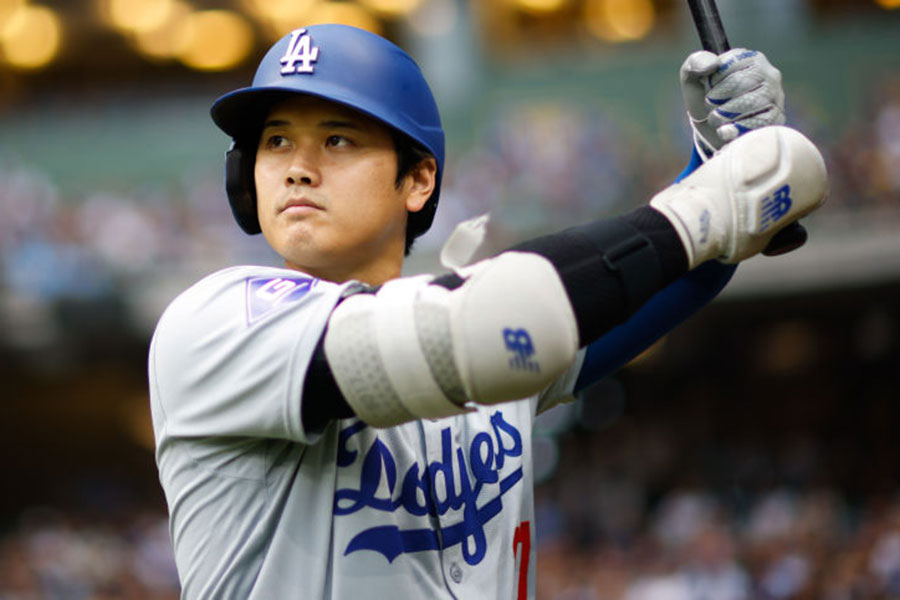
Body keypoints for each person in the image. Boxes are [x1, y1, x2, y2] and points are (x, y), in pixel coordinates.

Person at [148, 24, 826, 599]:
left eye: (337, 140)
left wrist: (716, 155)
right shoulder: (212, 324)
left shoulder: (482, 317)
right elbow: (495, 322)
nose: (296, 167)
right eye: (275, 143)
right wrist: (707, 204)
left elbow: (687, 266)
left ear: (419, 180)